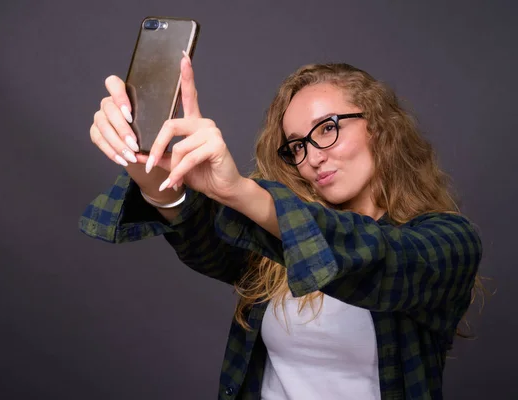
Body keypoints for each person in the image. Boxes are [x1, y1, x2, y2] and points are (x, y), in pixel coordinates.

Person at [80, 54, 482, 399]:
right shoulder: (274, 243)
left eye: (328, 128)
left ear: (377, 126)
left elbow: (375, 259)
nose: (312, 158)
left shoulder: (448, 242)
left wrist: (240, 191)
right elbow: (200, 236)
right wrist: (144, 162)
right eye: (297, 146)